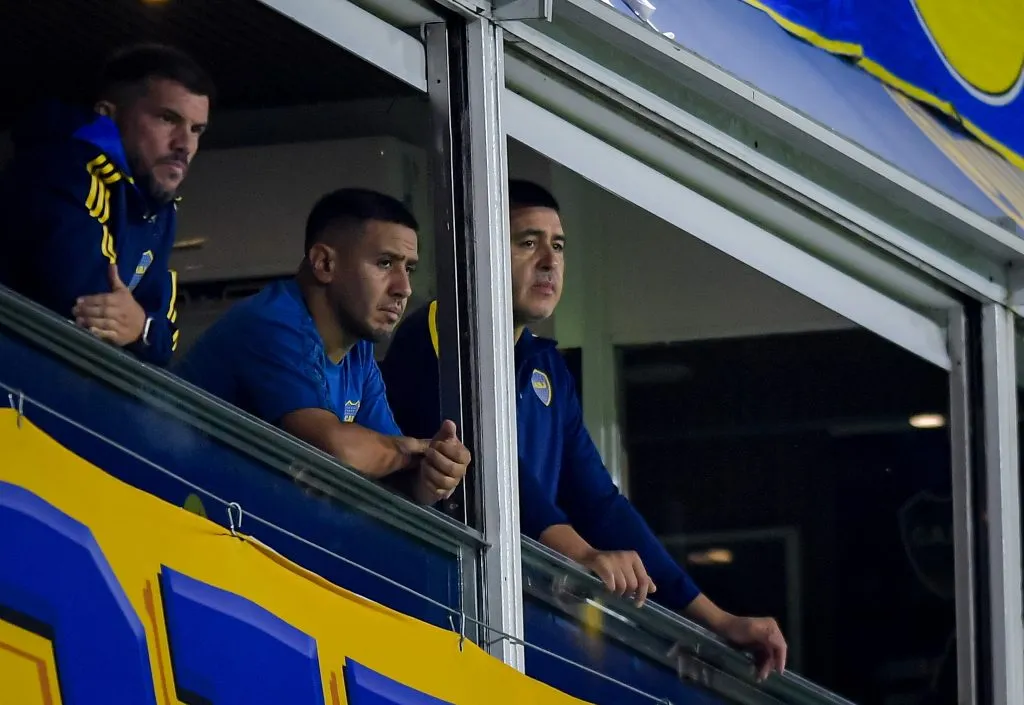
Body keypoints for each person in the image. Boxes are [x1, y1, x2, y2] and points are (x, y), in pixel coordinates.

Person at [381, 180, 788, 680]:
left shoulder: (543, 365)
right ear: (477, 250)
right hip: (436, 617)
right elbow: (491, 471)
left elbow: (598, 501)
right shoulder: (438, 332)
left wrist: (716, 619)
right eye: (527, 243)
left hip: (510, 626)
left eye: (559, 245)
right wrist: (583, 554)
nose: (550, 262)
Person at [175, 188, 470, 506]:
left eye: (408, 268)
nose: (404, 288)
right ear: (324, 263)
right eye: (385, 263)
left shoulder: (357, 351)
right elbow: (336, 451)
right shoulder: (274, 323)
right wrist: (412, 450)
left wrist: (430, 476)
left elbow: (388, 468)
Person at [0, 44, 214, 366]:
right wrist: (140, 327)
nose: (184, 144)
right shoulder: (63, 171)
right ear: (108, 115)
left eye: (196, 130)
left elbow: (164, 340)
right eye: (168, 119)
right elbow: (82, 304)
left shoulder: (161, 209)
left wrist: (141, 327)